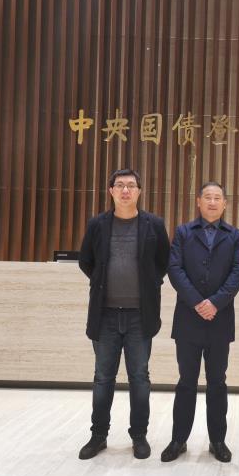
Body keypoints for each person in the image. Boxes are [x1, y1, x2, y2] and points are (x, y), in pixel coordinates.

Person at [77, 169, 170, 460]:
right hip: (104, 315)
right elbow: (86, 261)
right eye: (120, 185)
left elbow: (163, 261)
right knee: (103, 377)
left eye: (131, 185)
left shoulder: (154, 224)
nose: (126, 190)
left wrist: (149, 284)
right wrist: (102, 282)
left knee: (139, 377)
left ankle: (139, 435)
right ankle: (98, 435)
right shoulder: (97, 224)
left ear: (139, 191)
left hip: (140, 316)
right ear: (111, 191)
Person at [161, 182, 239, 463]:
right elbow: (175, 269)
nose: (212, 202)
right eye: (207, 197)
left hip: (220, 320)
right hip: (188, 319)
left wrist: (215, 303)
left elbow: (237, 273)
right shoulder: (184, 232)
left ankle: (217, 441)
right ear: (198, 201)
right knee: (186, 381)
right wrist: (198, 302)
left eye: (217, 197)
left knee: (217, 382)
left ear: (225, 204)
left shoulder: (234, 236)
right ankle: (178, 440)